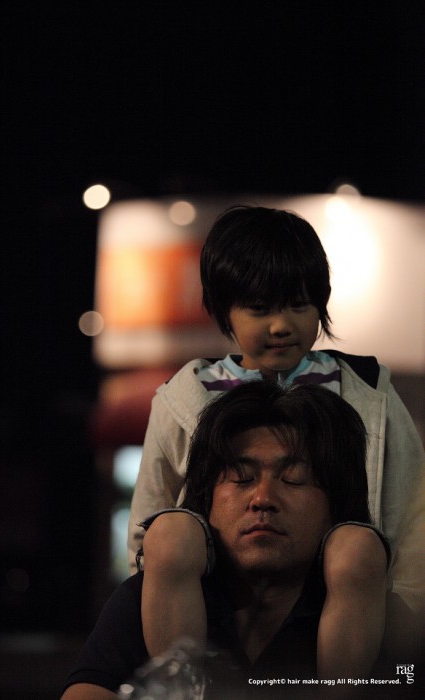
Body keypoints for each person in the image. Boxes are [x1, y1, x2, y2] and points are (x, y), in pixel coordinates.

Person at [128, 206, 425, 679]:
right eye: (260, 308)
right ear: (224, 310)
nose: (281, 324)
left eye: (298, 305)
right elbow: (151, 511)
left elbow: (412, 508)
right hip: (220, 591)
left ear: (322, 304)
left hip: (339, 590)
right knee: (168, 533)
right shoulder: (186, 393)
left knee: (356, 548)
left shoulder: (368, 390)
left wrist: (409, 609)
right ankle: (184, 688)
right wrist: (137, 599)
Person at [61, 381, 390, 699]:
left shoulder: (377, 614)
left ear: (337, 504)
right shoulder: (148, 598)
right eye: (242, 478)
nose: (262, 499)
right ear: (207, 500)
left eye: (294, 479)